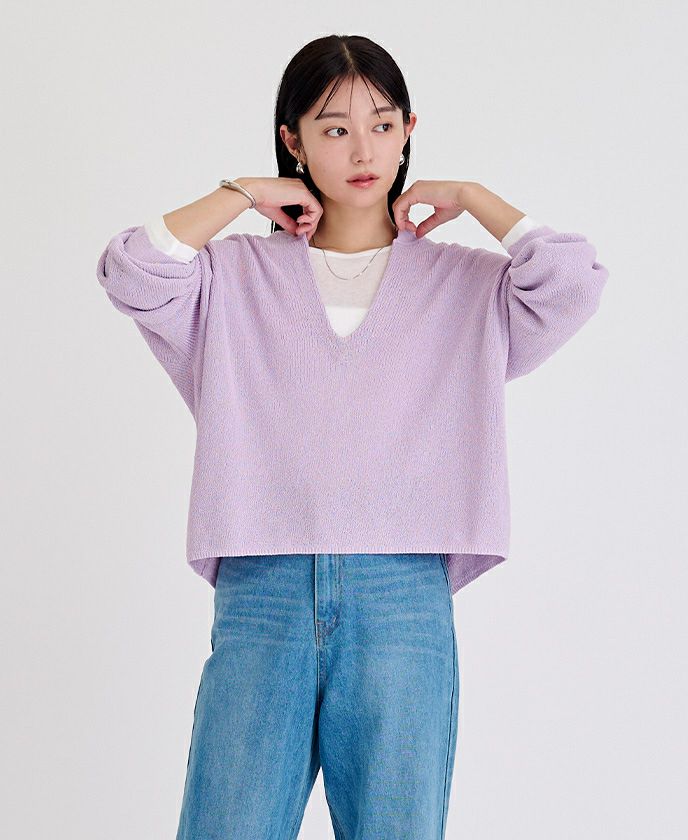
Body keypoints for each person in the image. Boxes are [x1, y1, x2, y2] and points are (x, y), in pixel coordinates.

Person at [96, 33, 608, 840]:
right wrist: (240, 192)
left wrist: (472, 195)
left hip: (401, 593)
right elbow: (131, 267)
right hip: (263, 585)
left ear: (409, 131)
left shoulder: (467, 286)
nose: (363, 150)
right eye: (334, 128)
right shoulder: (229, 278)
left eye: (382, 124)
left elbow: (573, 279)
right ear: (293, 140)